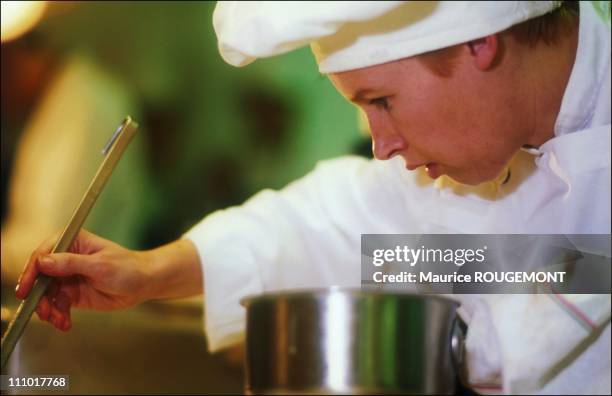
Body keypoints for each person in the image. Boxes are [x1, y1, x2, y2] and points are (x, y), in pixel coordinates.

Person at [15, 1, 611, 394]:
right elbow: (341, 224)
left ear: (479, 41)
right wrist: (148, 271)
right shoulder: (484, 157)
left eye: (381, 101)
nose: (380, 146)